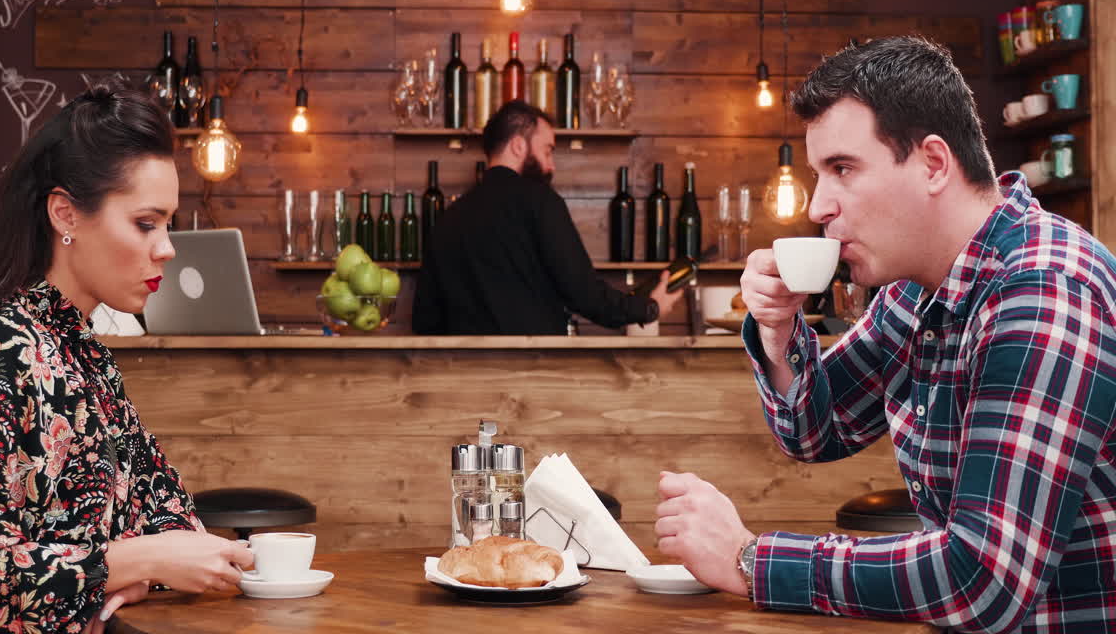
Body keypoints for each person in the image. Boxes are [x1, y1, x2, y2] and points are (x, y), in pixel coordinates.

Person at [654, 37, 1116, 631]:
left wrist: (749, 559)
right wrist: (777, 330)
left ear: (932, 164)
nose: (819, 205)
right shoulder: (914, 285)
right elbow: (816, 432)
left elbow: (982, 578)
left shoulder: (1045, 287)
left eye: (843, 168)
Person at [0, 85, 253, 634]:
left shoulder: (84, 353)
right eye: (146, 223)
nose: (168, 248)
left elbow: (172, 519)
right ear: (66, 215)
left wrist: (125, 571)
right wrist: (131, 564)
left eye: (169, 223)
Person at [412, 101, 682, 335]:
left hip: (461, 383)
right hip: (535, 377)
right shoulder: (540, 201)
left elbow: (425, 320)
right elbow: (584, 294)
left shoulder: (448, 219)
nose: (551, 165)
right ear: (518, 146)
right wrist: (649, 308)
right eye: (547, 150)